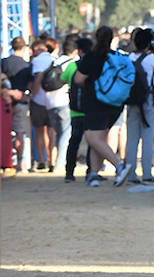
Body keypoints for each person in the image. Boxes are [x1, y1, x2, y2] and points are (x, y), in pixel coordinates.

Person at [70, 26, 134, 187]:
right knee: (100, 138)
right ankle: (93, 174)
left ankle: (119, 166)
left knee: (92, 138)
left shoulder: (92, 57)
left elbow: (78, 79)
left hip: (96, 102)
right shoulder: (115, 56)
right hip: (115, 103)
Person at [121, 28, 154, 185]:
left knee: (132, 138)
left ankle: (131, 173)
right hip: (148, 100)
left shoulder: (129, 58)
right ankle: (147, 173)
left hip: (132, 101)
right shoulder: (150, 59)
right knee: (147, 137)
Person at [30, 36, 68, 173]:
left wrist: (31, 95)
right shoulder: (54, 60)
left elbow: (36, 79)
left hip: (38, 100)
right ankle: (53, 160)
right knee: (52, 132)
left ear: (35, 49)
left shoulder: (35, 61)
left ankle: (41, 160)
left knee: (40, 132)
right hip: (53, 100)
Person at [62, 36, 93, 182]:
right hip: (92, 110)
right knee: (92, 142)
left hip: (75, 110)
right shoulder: (96, 66)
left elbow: (64, 79)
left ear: (79, 51)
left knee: (74, 141)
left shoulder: (72, 66)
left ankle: (69, 172)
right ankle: (91, 171)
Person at [2, 37, 33, 171]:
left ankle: (5, 160)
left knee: (4, 133)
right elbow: (31, 84)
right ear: (24, 48)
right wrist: (27, 95)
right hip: (21, 102)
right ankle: (20, 162)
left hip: (4, 102)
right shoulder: (27, 65)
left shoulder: (4, 63)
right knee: (20, 132)